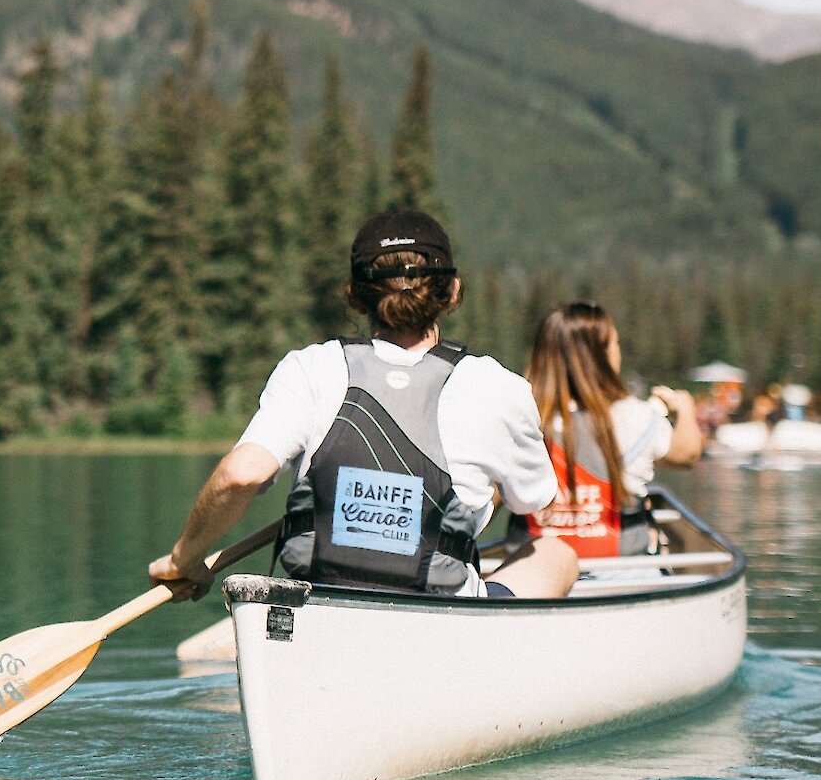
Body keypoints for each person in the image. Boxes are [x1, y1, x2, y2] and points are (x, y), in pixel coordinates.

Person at [149, 209, 578, 601]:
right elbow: (534, 501)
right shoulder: (498, 386)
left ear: (355, 294)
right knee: (555, 553)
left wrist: (185, 558)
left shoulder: (310, 367)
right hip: (441, 611)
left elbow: (241, 475)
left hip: (320, 604)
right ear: (451, 291)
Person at [519, 303, 704, 558]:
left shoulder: (520, 414)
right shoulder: (638, 415)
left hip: (534, 576)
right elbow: (687, 455)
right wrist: (685, 408)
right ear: (601, 355)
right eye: (615, 344)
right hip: (620, 573)